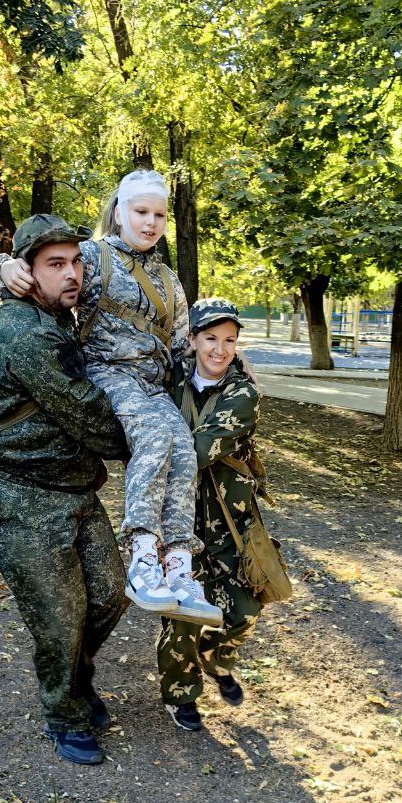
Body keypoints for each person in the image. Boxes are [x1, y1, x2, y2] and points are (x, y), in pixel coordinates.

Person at [0, 173, 222, 628]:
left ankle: (179, 566)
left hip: (151, 385)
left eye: (159, 215)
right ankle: (143, 557)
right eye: (141, 212)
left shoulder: (168, 279)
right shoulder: (94, 257)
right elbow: (41, 266)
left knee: (184, 449)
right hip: (105, 371)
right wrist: (3, 268)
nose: (151, 222)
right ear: (119, 212)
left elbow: (181, 347)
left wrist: (224, 361)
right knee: (155, 435)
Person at [0, 214, 130, 766]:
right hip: (15, 493)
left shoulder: (55, 316)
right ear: (28, 273)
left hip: (70, 486)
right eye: (56, 264)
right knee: (60, 618)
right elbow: (95, 420)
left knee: (110, 594)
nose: (72, 273)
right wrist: (152, 438)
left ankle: (75, 680)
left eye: (76, 261)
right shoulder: (24, 331)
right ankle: (64, 715)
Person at [158, 298, 264, 732]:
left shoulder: (243, 393)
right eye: (211, 338)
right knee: (182, 614)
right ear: (193, 339)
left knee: (245, 609)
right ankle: (180, 694)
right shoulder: (169, 378)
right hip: (177, 519)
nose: (220, 350)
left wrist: (160, 442)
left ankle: (215, 658)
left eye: (229, 341)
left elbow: (198, 452)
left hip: (229, 520)